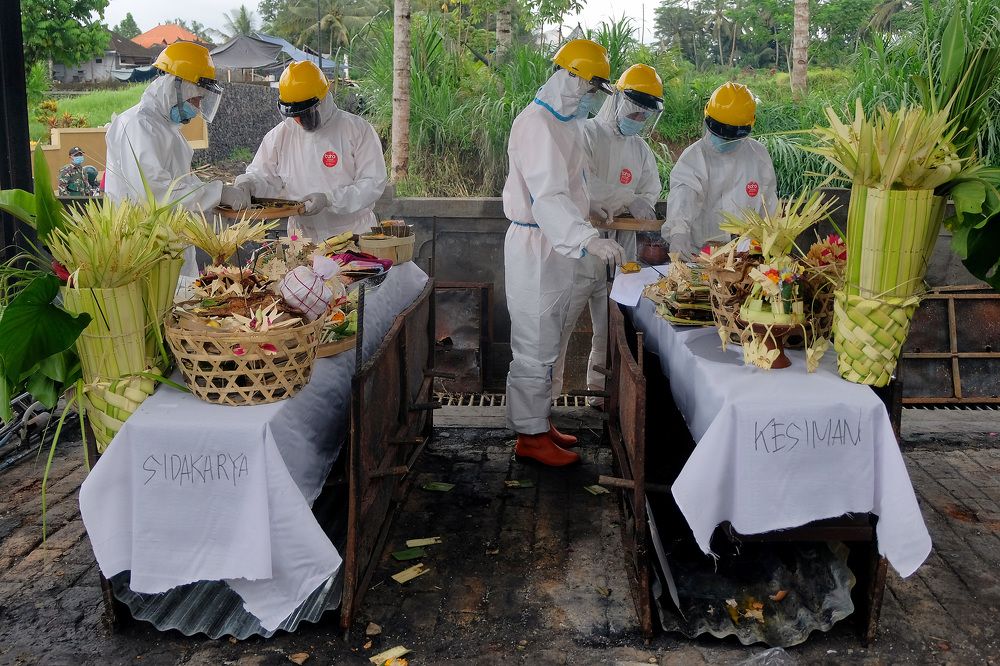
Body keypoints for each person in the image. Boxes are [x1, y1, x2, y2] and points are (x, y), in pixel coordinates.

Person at [503, 38, 625, 467]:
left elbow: (571, 185)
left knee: (550, 337)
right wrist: (587, 237)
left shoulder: (566, 121)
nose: (594, 98)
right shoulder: (536, 123)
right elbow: (548, 196)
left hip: (553, 243)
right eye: (592, 88)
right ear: (572, 79)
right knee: (534, 341)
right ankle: (529, 436)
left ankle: (539, 421)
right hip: (536, 243)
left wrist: (593, 205)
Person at [551, 63, 664, 407]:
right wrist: (628, 198)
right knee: (559, 331)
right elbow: (584, 187)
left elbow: (650, 190)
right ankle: (546, 403)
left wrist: (641, 202)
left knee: (611, 332)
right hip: (582, 249)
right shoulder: (586, 134)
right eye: (634, 109)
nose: (638, 118)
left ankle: (598, 399)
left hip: (619, 254)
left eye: (645, 114)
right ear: (616, 99)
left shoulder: (640, 149)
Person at [105, 41, 248, 276]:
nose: (197, 108)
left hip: (171, 247)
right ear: (175, 87)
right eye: (196, 99)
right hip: (143, 252)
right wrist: (218, 193)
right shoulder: (138, 126)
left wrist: (213, 211)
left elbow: (182, 184)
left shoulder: (167, 129)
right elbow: (157, 193)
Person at [234, 61, 388, 242]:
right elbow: (265, 178)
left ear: (323, 100)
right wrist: (249, 184)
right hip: (301, 236)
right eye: (294, 114)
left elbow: (372, 183)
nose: (299, 120)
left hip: (352, 233)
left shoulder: (357, 130)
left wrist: (330, 199)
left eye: (305, 113)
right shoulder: (279, 136)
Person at [660, 81, 778, 257]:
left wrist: (772, 242)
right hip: (701, 256)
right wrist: (678, 232)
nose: (724, 140)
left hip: (748, 257)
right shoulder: (694, 157)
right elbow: (683, 196)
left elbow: (769, 207)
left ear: (747, 129)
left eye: (731, 136)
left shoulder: (758, 156)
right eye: (720, 132)